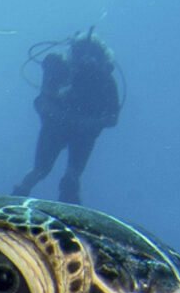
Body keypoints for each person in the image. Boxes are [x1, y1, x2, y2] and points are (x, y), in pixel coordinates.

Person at [13, 30, 121, 205]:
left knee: (68, 176)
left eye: (92, 55)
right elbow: (43, 101)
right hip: (58, 127)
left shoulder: (105, 81)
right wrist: (65, 117)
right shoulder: (59, 69)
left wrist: (88, 123)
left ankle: (23, 196)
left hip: (80, 132)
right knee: (42, 170)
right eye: (81, 53)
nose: (86, 60)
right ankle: (18, 197)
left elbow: (112, 118)